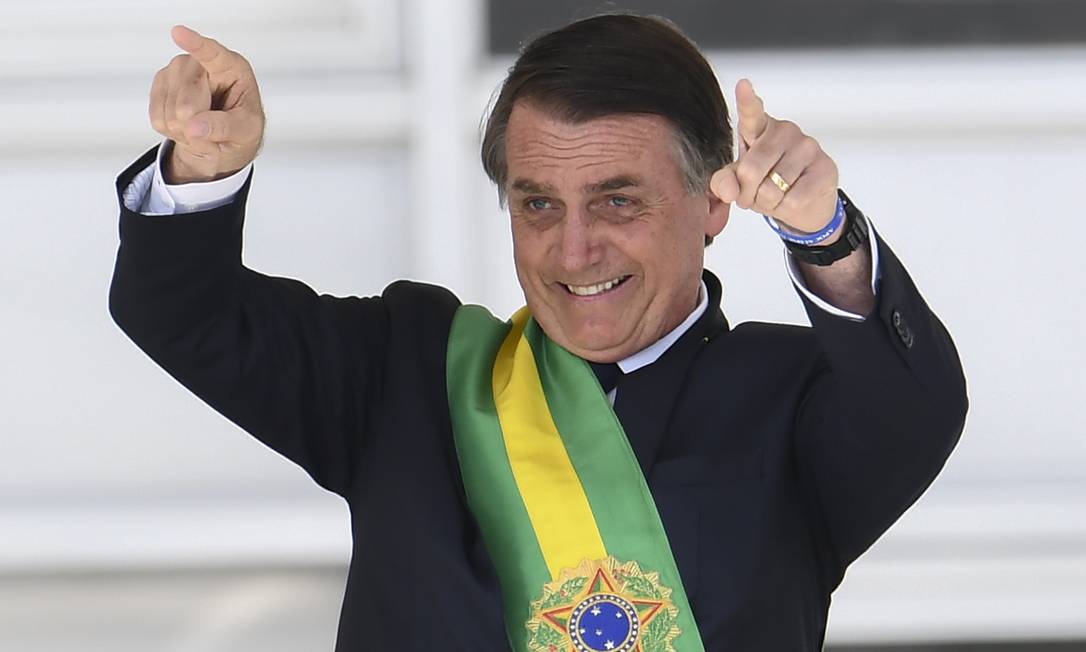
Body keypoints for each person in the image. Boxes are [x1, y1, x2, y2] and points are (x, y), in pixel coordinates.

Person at [109, 14, 967, 652]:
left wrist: (824, 235)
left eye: (619, 200)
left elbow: (917, 405)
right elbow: (181, 312)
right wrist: (202, 172)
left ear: (713, 202)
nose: (574, 247)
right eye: (538, 204)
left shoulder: (796, 400)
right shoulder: (408, 374)